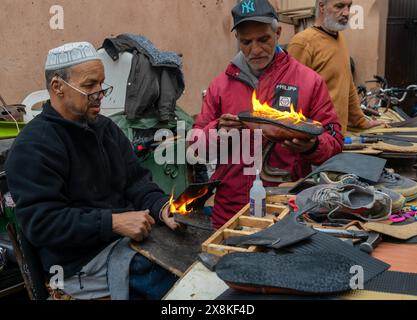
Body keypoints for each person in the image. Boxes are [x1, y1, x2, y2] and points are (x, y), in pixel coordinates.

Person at [5, 42, 180, 300]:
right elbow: (42, 224)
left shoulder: (106, 130)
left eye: (101, 84)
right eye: (89, 86)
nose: (100, 93)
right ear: (58, 87)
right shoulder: (32, 147)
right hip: (78, 264)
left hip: (125, 241)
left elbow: (138, 183)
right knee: (174, 278)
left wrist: (163, 207)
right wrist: (114, 222)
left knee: (197, 246)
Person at [193, 0, 344, 229]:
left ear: (278, 32)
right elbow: (196, 147)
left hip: (286, 210)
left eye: (263, 39)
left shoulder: (309, 82)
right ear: (238, 41)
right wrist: (217, 130)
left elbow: (334, 141)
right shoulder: (219, 87)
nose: (255, 50)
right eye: (246, 42)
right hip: (231, 214)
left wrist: (311, 146)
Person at [287, 0, 383, 135]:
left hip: (336, 137)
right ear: (321, 6)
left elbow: (348, 85)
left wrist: (361, 121)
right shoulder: (302, 43)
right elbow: (290, 97)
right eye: (339, 6)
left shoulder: (340, 39)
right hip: (315, 140)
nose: (347, 12)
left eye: (349, 6)